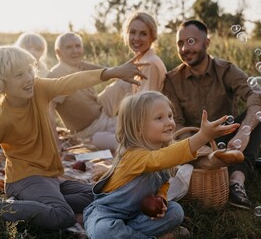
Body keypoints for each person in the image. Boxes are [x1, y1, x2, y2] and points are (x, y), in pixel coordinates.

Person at [0, 45, 147, 238]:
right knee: (62, 216)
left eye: (29, 70)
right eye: (19, 74)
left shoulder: (38, 88)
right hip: (24, 180)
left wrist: (111, 72)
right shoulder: (0, 122)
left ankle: (40, 205)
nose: (28, 77)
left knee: (99, 194)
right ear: (0, 83)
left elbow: (68, 82)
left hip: (51, 178)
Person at [83, 91, 239, 239]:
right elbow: (158, 159)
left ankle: (128, 232)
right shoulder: (133, 156)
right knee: (103, 231)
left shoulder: (164, 155)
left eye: (170, 116)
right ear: (138, 128)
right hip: (108, 213)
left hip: (139, 214)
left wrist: (161, 199)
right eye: (159, 118)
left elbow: (163, 184)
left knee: (175, 212)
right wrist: (202, 137)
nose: (169, 122)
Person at [163, 19, 261, 210]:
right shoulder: (172, 80)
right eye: (180, 43)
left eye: (191, 42)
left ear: (206, 43)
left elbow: (258, 96)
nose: (184, 49)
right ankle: (245, 163)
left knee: (256, 116)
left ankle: (235, 182)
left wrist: (244, 132)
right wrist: (199, 148)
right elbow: (177, 125)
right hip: (195, 144)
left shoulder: (226, 70)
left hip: (229, 139)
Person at [91, 11, 168, 150]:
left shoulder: (149, 63)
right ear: (126, 34)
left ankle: (132, 148)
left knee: (96, 138)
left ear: (152, 37)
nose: (136, 38)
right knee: (98, 135)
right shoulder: (142, 60)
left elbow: (145, 109)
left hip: (146, 133)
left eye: (143, 34)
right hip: (140, 125)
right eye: (132, 32)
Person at [47, 32, 132, 151]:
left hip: (101, 110)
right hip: (89, 129)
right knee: (132, 133)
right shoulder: (57, 75)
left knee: (126, 83)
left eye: (77, 46)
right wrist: (57, 144)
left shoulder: (80, 65)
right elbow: (49, 110)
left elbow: (109, 72)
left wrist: (124, 69)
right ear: (58, 52)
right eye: (69, 47)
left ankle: (145, 110)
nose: (75, 51)